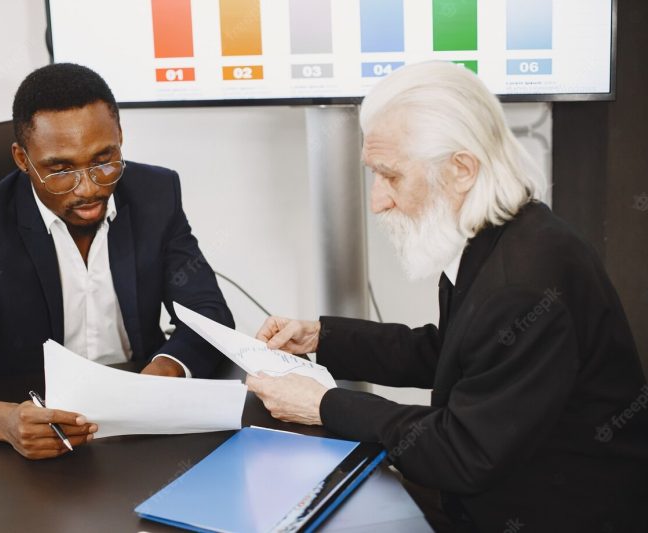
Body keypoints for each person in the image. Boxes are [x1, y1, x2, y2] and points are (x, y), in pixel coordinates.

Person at [247, 62, 648, 532]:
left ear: (461, 169)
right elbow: (451, 355)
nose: (376, 201)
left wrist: (323, 403)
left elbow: (464, 452)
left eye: (390, 177)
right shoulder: (494, 233)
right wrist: (321, 337)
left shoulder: (520, 285)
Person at [0, 63, 234, 459]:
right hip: (26, 438)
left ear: (120, 139)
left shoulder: (156, 193)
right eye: (60, 170)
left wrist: (163, 372)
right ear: (22, 159)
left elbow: (209, 314)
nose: (89, 189)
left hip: (139, 430)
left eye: (104, 159)